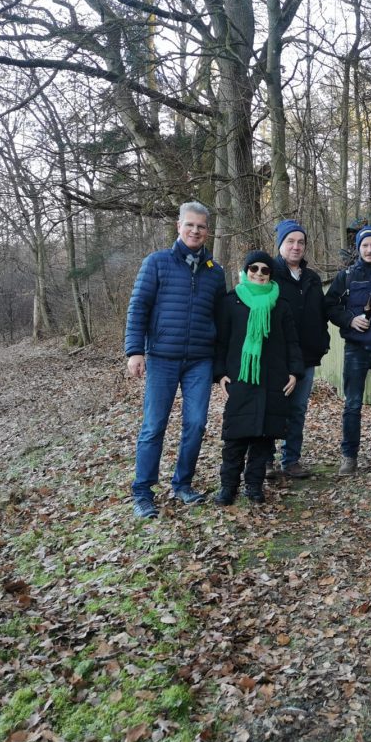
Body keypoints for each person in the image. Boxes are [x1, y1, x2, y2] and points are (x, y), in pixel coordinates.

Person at [124, 201, 226, 519]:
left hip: (200, 360)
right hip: (162, 358)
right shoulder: (157, 263)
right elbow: (138, 306)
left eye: (201, 226)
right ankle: (143, 492)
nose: (195, 231)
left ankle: (182, 484)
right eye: (190, 225)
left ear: (207, 231)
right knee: (154, 426)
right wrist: (134, 351)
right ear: (178, 226)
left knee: (195, 424)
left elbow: (222, 321)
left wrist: (221, 366)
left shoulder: (215, 273)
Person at [213, 251, 303, 505]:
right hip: (241, 378)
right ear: (246, 270)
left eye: (265, 270)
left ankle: (254, 485)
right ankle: (228, 486)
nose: (259, 274)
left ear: (271, 274)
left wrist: (295, 373)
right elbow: (221, 342)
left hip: (273, 380)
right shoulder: (231, 302)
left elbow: (292, 343)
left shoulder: (281, 305)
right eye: (254, 268)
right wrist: (220, 374)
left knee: (264, 437)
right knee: (235, 438)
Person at [324, 225, 371, 475]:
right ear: (358, 248)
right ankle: (349, 456)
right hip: (355, 350)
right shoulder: (346, 276)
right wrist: (350, 320)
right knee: (352, 406)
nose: (370, 249)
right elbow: (330, 306)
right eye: (365, 245)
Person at [270, 219, 329, 478]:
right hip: (276, 357)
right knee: (273, 406)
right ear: (281, 244)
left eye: (301, 242)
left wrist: (322, 341)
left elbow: (323, 313)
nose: (296, 247)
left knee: (298, 409)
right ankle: (265, 459)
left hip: (305, 357)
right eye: (290, 241)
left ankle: (291, 459)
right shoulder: (268, 273)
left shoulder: (312, 279)